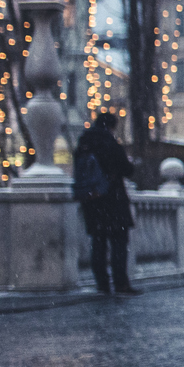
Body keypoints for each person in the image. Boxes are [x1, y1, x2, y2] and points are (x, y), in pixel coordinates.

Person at [73, 111, 139, 297]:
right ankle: (121, 283)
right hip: (113, 199)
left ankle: (101, 283)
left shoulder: (83, 143)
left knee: (98, 242)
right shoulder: (110, 143)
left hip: (92, 199)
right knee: (118, 243)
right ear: (111, 126)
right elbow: (127, 169)